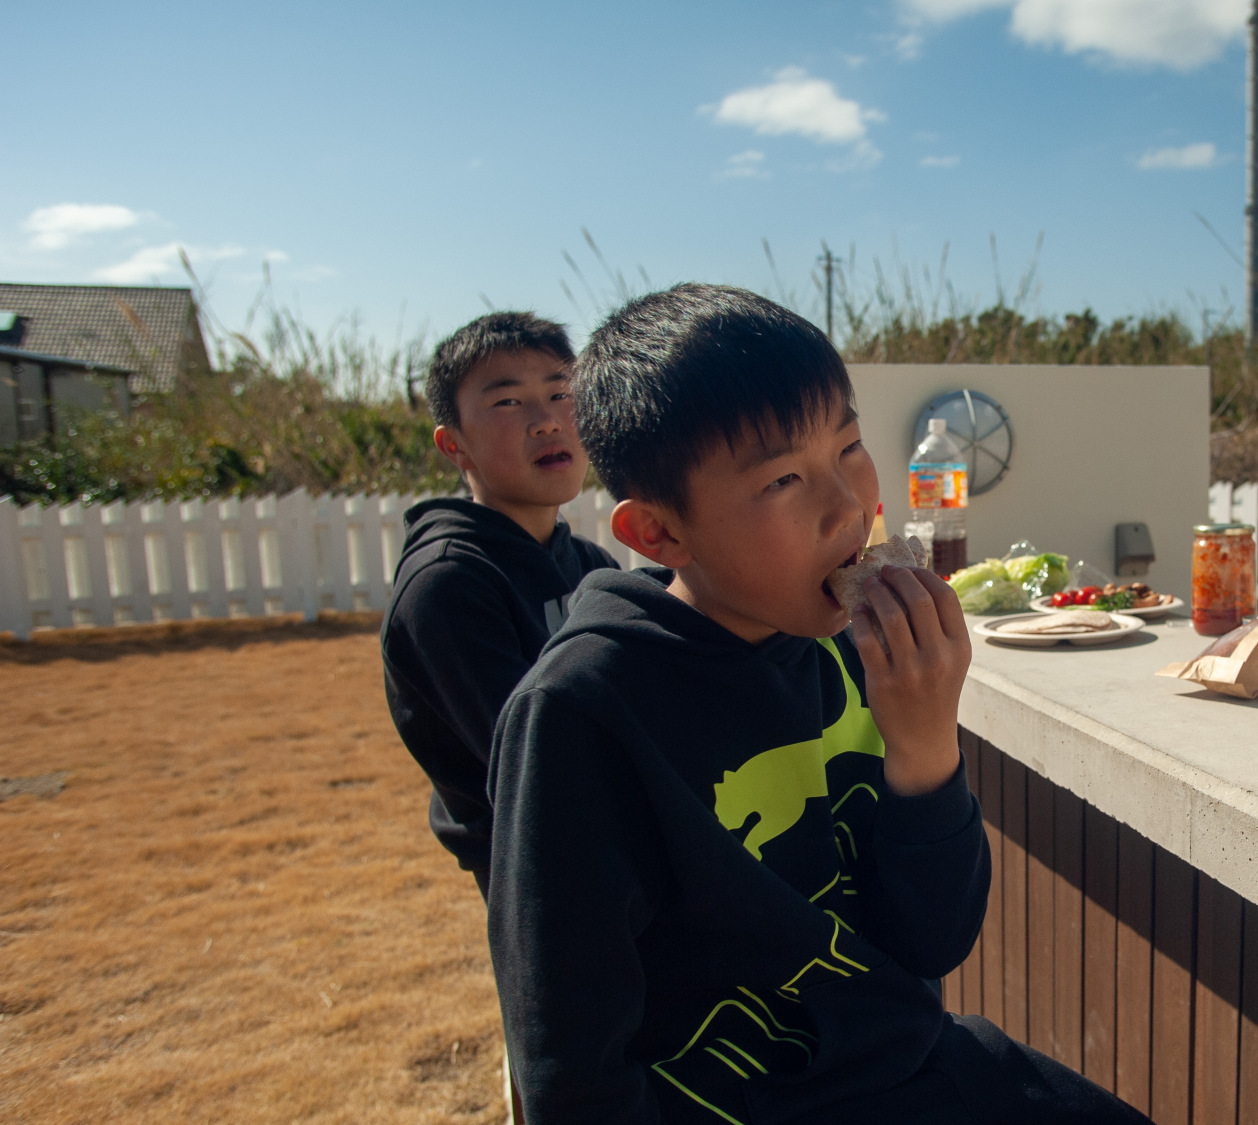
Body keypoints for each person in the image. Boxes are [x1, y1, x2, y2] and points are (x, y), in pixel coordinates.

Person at [486, 284, 1149, 1124]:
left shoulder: (848, 647)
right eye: (784, 479)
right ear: (659, 534)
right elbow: (570, 1071)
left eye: (850, 447)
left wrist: (926, 748)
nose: (848, 504)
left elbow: (929, 942)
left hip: (903, 1062)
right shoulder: (585, 711)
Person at [381, 311, 620, 899]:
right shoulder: (448, 584)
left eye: (561, 393)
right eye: (508, 403)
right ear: (453, 444)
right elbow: (531, 767)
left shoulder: (591, 565)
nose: (545, 423)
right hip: (539, 874)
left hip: (626, 849)